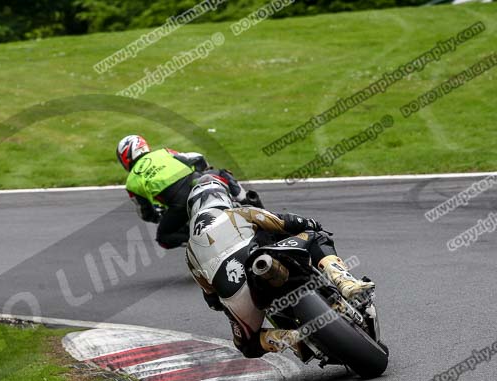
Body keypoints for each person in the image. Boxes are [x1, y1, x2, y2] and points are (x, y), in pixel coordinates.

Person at [184, 174, 374, 361]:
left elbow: (211, 299)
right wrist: (312, 224)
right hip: (262, 258)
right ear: (224, 197)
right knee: (316, 236)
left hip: (237, 294)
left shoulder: (190, 253)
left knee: (247, 345)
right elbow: (283, 221)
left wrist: (226, 302)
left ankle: (291, 339)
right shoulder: (236, 213)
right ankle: (345, 282)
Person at [116, 134, 260, 249]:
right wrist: (204, 170)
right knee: (222, 174)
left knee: (164, 237)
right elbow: (197, 157)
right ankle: (255, 208)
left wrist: (159, 217)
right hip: (197, 181)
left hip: (179, 205)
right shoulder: (163, 152)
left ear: (126, 157)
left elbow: (145, 213)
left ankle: (202, 242)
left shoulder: (132, 182)